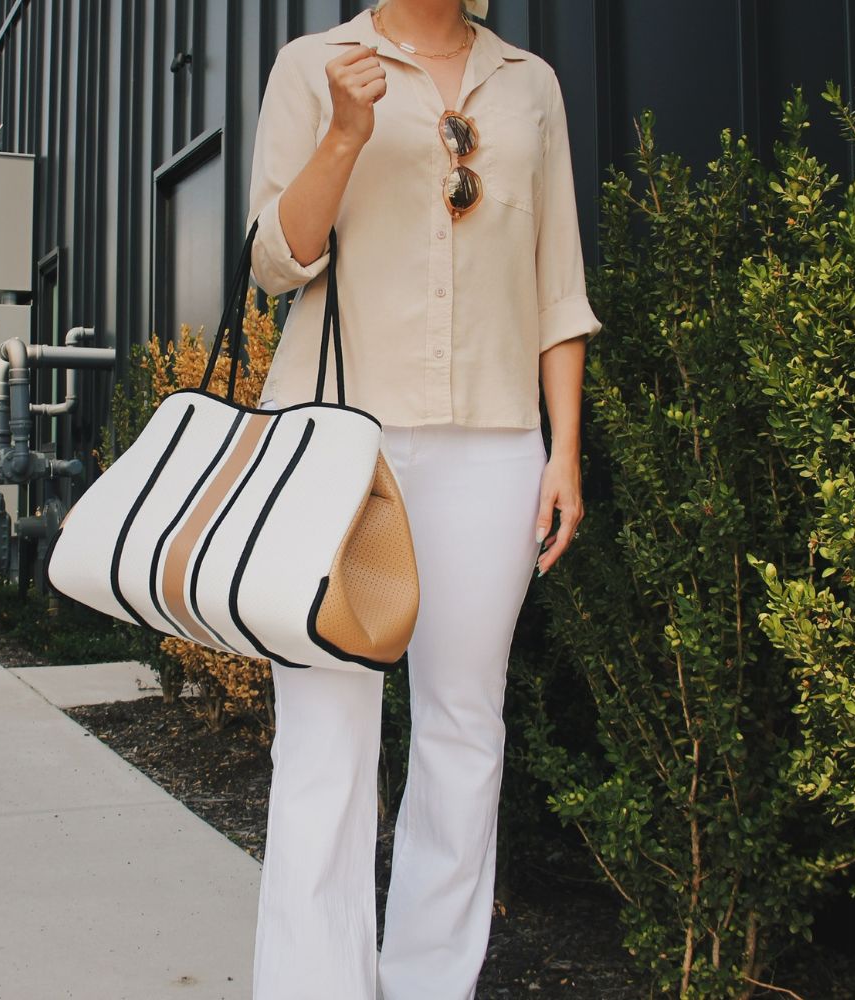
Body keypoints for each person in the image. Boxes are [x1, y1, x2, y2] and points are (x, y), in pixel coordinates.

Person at [246, 1, 602, 997]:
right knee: (326, 734)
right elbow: (277, 260)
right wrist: (347, 133)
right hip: (337, 445)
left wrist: (561, 448)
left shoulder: (527, 82)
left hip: (494, 448)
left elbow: (556, 280)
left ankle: (429, 983)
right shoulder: (314, 64)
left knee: (462, 725)